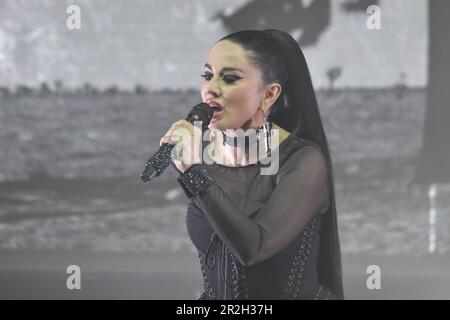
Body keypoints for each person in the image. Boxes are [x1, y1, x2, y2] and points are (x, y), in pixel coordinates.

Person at [159, 29, 344, 300]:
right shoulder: (203, 155)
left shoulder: (304, 161)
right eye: (208, 75)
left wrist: (194, 173)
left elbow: (254, 249)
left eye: (230, 78)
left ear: (269, 95)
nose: (211, 88)